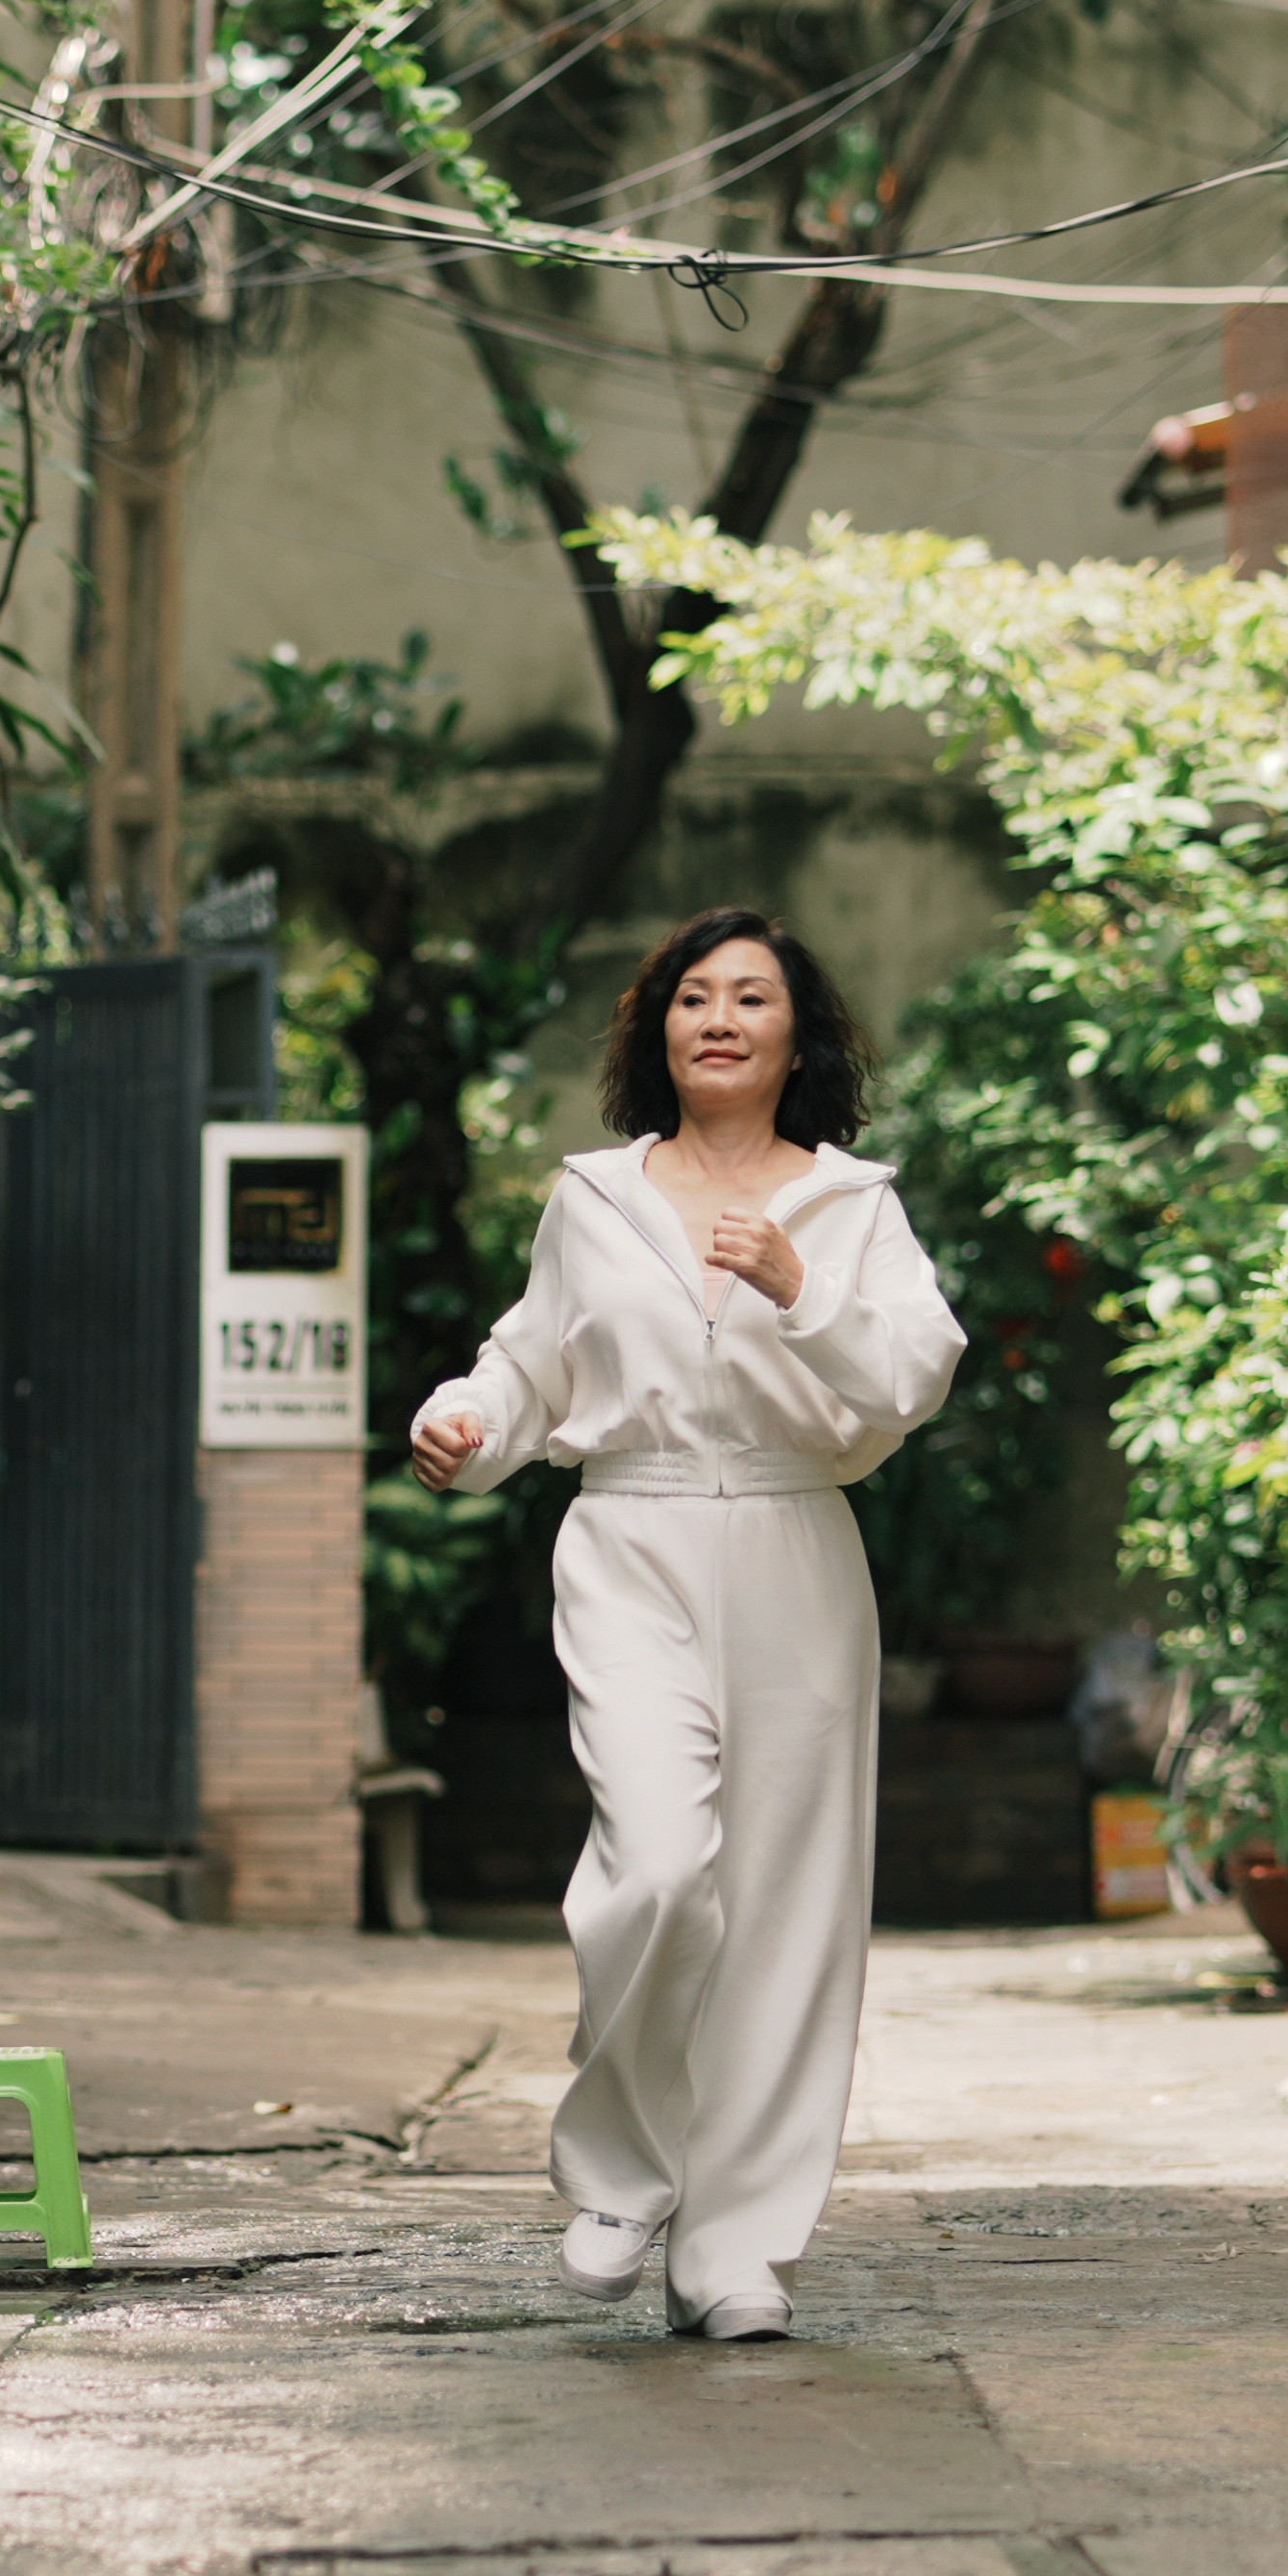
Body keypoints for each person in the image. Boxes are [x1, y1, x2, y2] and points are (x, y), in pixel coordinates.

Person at [407, 908, 961, 2342]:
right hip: (632, 1537)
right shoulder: (594, 1199)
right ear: (658, 1030)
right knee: (656, 1869)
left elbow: (914, 1374)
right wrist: (464, 1424)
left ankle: (737, 2252)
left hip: (793, 1538)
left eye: (751, 998)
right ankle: (621, 2174)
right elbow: (528, 1363)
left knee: (788, 1909)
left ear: (798, 1036)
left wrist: (799, 1288)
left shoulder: (851, 1205)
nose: (719, 1018)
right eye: (693, 996)